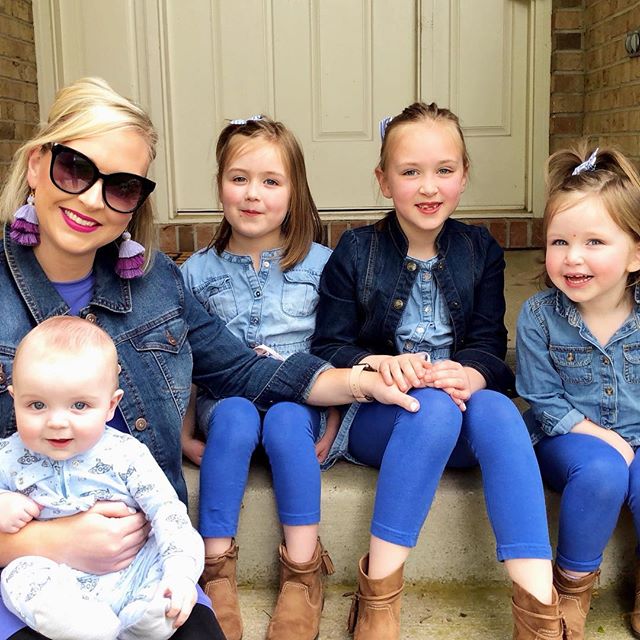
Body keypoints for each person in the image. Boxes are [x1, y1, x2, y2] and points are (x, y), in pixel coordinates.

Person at [0, 77, 419, 640]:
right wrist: (40, 541)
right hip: (27, 581)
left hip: (151, 574)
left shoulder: (156, 282)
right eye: (75, 170)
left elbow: (246, 370)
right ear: (34, 164)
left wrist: (361, 381)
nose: (93, 199)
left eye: (121, 186)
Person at [311, 102, 565, 640]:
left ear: (465, 175)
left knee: (497, 408)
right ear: (383, 181)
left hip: (464, 416)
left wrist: (471, 374)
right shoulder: (355, 252)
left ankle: (540, 612)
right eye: (410, 172)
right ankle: (378, 598)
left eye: (444, 170)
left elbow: (489, 346)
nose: (429, 187)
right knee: (429, 409)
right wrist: (376, 362)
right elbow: (328, 346)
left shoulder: (480, 249)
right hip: (386, 418)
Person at [180, 115, 339, 640]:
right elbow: (185, 361)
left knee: (289, 418)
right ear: (221, 184)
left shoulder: (323, 266)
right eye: (239, 178)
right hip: (224, 402)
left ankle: (301, 573)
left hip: (304, 402)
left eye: (271, 182)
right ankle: (216, 570)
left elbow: (333, 351)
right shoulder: (194, 272)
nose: (253, 195)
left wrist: (334, 421)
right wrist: (184, 430)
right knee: (236, 413)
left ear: (295, 192)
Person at [0, 316, 204, 640]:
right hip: (57, 582)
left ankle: (147, 618)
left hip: (133, 569)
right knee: (18, 575)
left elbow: (167, 511)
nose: (56, 422)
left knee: (167, 555)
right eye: (36, 405)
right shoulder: (7, 456)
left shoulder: (127, 454)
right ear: (14, 398)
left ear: (111, 406)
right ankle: (84, 627)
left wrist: (180, 575)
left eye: (79, 405)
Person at [516, 145, 640, 640]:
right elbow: (543, 402)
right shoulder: (540, 316)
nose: (572, 257)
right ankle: (571, 587)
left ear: (636, 252)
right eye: (559, 241)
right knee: (604, 470)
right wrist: (603, 439)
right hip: (562, 438)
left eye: (594, 242)